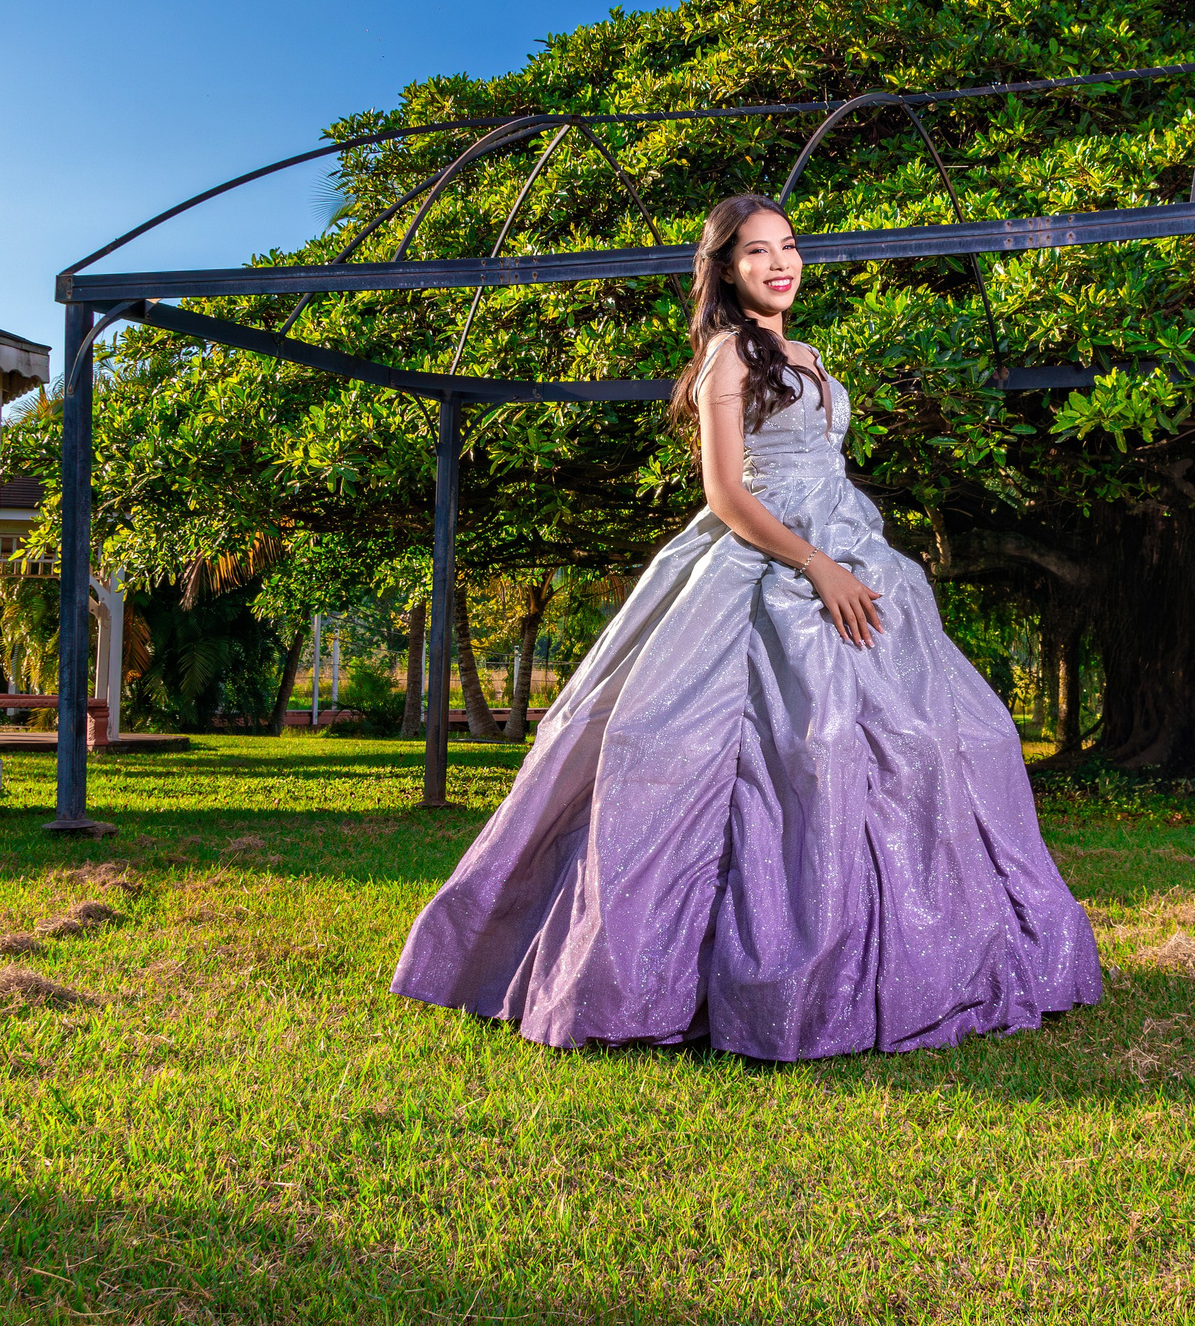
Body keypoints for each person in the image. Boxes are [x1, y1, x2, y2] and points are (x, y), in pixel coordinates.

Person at [391, 194, 1102, 1060]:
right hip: (766, 555)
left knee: (941, 736)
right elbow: (726, 492)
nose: (779, 263)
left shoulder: (810, 355)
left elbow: (823, 463)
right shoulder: (728, 354)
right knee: (736, 744)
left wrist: (845, 557)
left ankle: (928, 949)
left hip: (852, 547)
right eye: (757, 251)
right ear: (726, 269)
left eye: (788, 246)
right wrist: (817, 565)